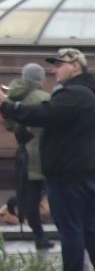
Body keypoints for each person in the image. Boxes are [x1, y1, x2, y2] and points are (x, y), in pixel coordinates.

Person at [0, 48, 95, 271]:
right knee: (90, 228)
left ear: (75, 66)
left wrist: (6, 105)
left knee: (71, 229)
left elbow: (43, 114)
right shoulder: (85, 92)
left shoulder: (73, 94)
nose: (54, 69)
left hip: (68, 174)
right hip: (83, 172)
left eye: (59, 65)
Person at [4, 63, 53, 250]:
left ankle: (38, 235)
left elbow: (9, 125)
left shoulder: (15, 97)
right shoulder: (45, 98)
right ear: (40, 79)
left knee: (29, 197)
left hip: (23, 153)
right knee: (54, 194)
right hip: (46, 153)